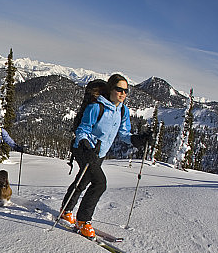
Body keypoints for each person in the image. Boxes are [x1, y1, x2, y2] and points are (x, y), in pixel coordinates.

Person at [60, 74, 152, 238]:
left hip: (99, 153)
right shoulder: (96, 107)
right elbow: (82, 130)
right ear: (111, 89)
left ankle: (65, 210)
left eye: (126, 90)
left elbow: (123, 133)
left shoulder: (122, 110)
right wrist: (86, 146)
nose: (122, 93)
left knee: (84, 180)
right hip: (83, 149)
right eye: (119, 89)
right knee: (100, 183)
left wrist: (136, 139)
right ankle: (83, 221)